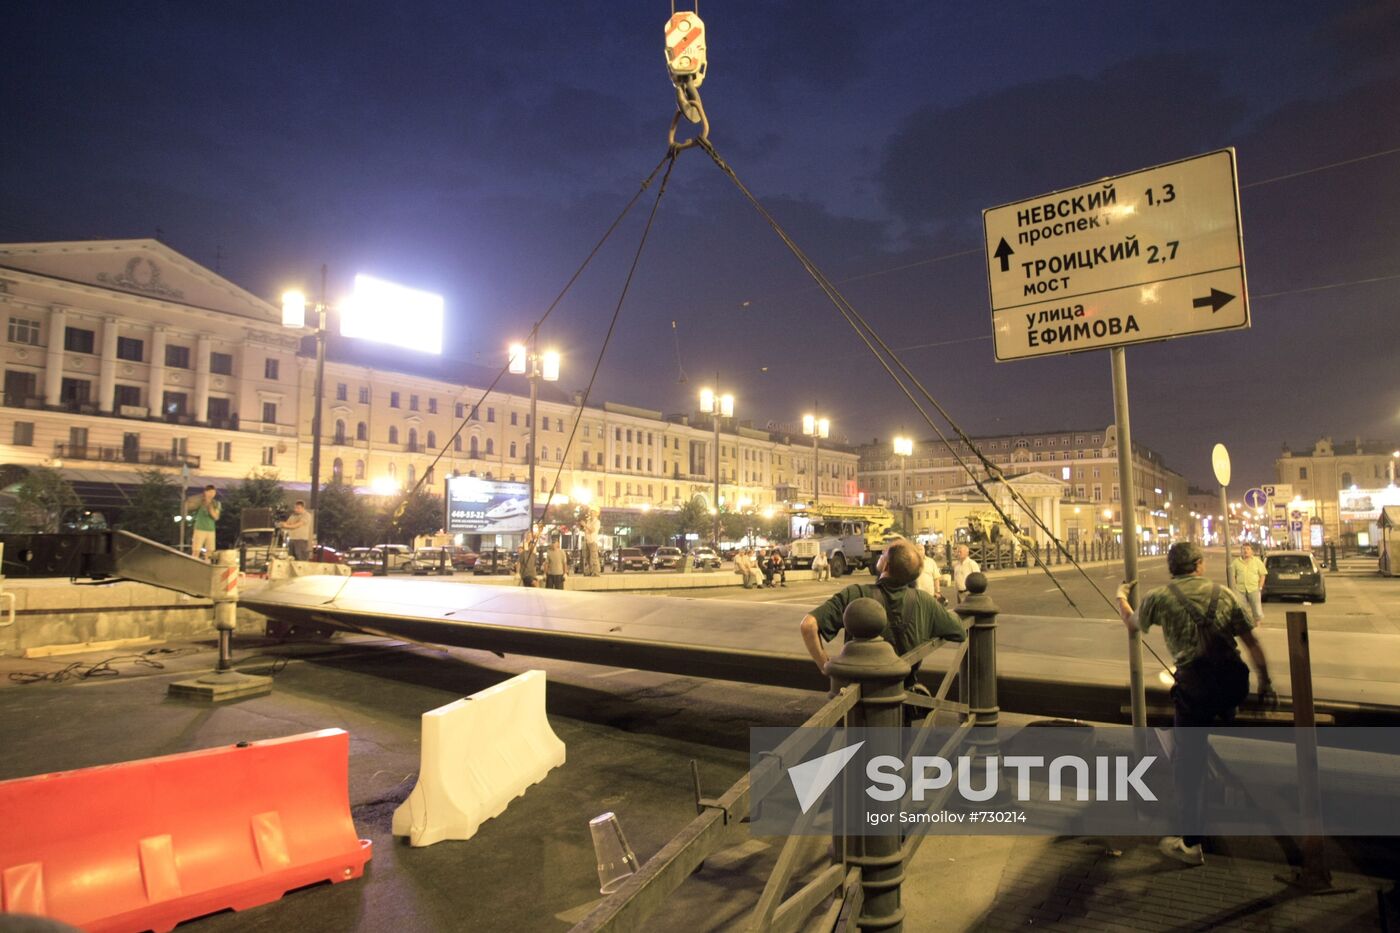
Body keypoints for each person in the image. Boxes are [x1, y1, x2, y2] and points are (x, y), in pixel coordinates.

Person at [1115, 541, 1275, 867]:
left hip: (1195, 690)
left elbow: (1133, 626)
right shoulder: (1224, 594)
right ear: (1199, 565)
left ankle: (1190, 843)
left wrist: (1121, 596)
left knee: (1187, 764)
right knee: (1206, 727)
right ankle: (1224, 715)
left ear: (1172, 569)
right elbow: (1251, 642)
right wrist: (1265, 682)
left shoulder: (1160, 597)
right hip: (1232, 685)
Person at [800, 538, 965, 687]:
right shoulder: (925, 602)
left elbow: (808, 625)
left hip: (856, 697)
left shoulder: (855, 594)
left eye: (884, 554)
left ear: (885, 566)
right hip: (902, 695)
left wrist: (826, 667)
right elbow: (958, 631)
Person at [1230, 543, 1267, 626]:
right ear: (1241, 551)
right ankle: (1244, 626)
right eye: (1243, 549)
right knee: (1241, 609)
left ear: (1251, 551)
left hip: (1254, 588)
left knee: (1257, 609)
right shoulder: (1236, 562)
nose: (1245, 551)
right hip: (1240, 589)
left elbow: (1263, 574)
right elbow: (1232, 575)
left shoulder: (1257, 561)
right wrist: (1235, 586)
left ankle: (1258, 625)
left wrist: (1260, 587)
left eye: (1247, 549)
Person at [187, 485, 220, 561]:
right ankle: (193, 566)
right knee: (196, 550)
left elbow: (216, 517)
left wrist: (210, 506)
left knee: (210, 551)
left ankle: (207, 565)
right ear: (205, 492)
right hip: (200, 528)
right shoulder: (200, 501)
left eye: (214, 492)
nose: (212, 494)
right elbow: (190, 505)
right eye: (210, 492)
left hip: (211, 530)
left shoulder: (216, 503)